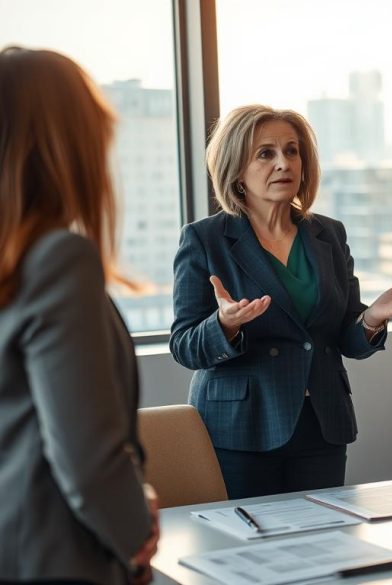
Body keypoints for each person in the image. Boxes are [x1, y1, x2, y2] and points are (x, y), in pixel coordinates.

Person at [170, 105, 392, 499]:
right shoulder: (204, 239)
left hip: (321, 423)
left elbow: (346, 338)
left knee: (326, 541)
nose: (283, 163)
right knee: (246, 550)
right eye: (265, 153)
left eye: (292, 151)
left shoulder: (328, 234)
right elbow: (184, 345)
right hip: (242, 426)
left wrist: (372, 318)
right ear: (236, 168)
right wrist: (225, 325)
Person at [0, 47, 159, 584]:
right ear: (66, 144)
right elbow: (88, 460)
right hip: (58, 557)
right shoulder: (56, 260)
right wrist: (136, 533)